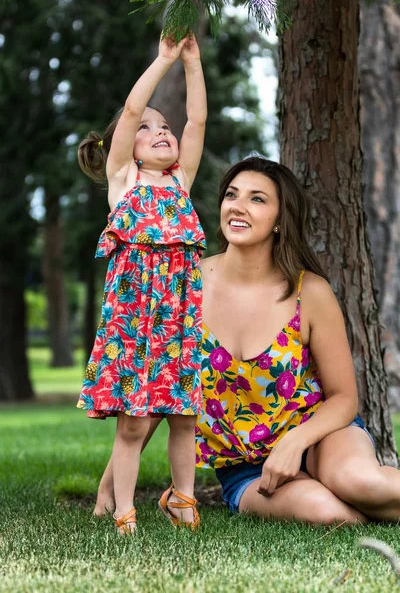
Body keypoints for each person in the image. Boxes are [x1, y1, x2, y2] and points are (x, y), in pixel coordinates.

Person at [94, 156, 400, 526]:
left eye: (257, 199)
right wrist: (109, 486)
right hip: (246, 468)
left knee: (362, 483)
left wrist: (294, 443)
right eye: (232, 195)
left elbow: (344, 398)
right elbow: (160, 396)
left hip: (320, 437)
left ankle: (338, 481)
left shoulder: (310, 291)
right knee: (331, 514)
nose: (238, 206)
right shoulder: (185, 284)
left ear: (279, 220)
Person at [76, 31, 207, 533]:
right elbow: (132, 109)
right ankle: (123, 508)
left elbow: (196, 119)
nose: (160, 131)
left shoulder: (180, 181)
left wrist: (192, 64)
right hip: (133, 321)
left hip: (178, 318)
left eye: (164, 127)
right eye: (147, 128)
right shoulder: (124, 181)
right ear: (123, 147)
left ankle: (183, 500)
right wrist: (163, 60)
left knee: (184, 416)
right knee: (132, 422)